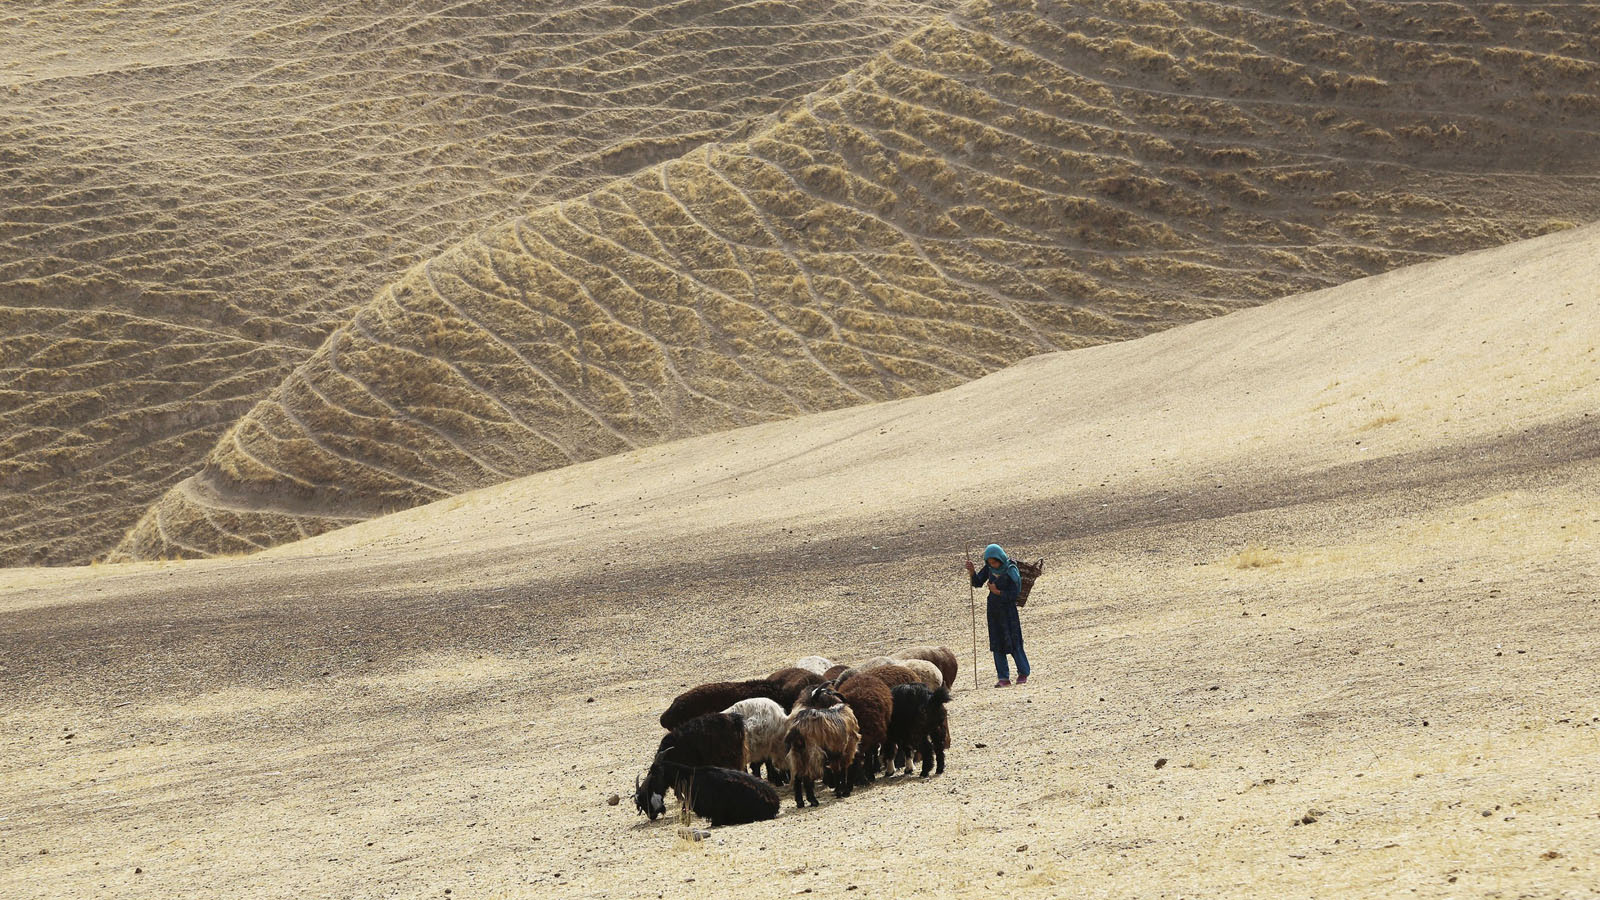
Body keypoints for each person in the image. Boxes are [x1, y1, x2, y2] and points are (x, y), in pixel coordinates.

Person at [966, 543, 1030, 687]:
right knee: (997, 643)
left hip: (1008, 612)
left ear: (1000, 559)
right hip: (994, 612)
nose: (992, 565)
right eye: (990, 562)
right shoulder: (989, 569)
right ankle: (1003, 678)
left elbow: (1015, 594)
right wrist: (972, 572)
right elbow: (977, 583)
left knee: (1014, 642)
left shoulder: (1011, 570)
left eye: (994, 562)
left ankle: (1023, 672)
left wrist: (997, 592)